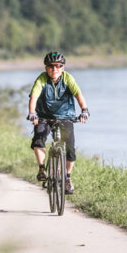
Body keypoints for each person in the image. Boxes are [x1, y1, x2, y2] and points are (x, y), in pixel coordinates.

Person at [27, 51, 89, 194]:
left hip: (65, 116)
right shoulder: (41, 79)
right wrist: (32, 113)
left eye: (58, 66)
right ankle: (42, 168)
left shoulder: (68, 78)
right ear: (46, 68)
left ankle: (67, 178)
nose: (54, 69)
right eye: (51, 66)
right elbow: (34, 97)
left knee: (70, 149)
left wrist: (84, 110)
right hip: (44, 116)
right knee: (38, 139)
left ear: (63, 68)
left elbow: (78, 94)